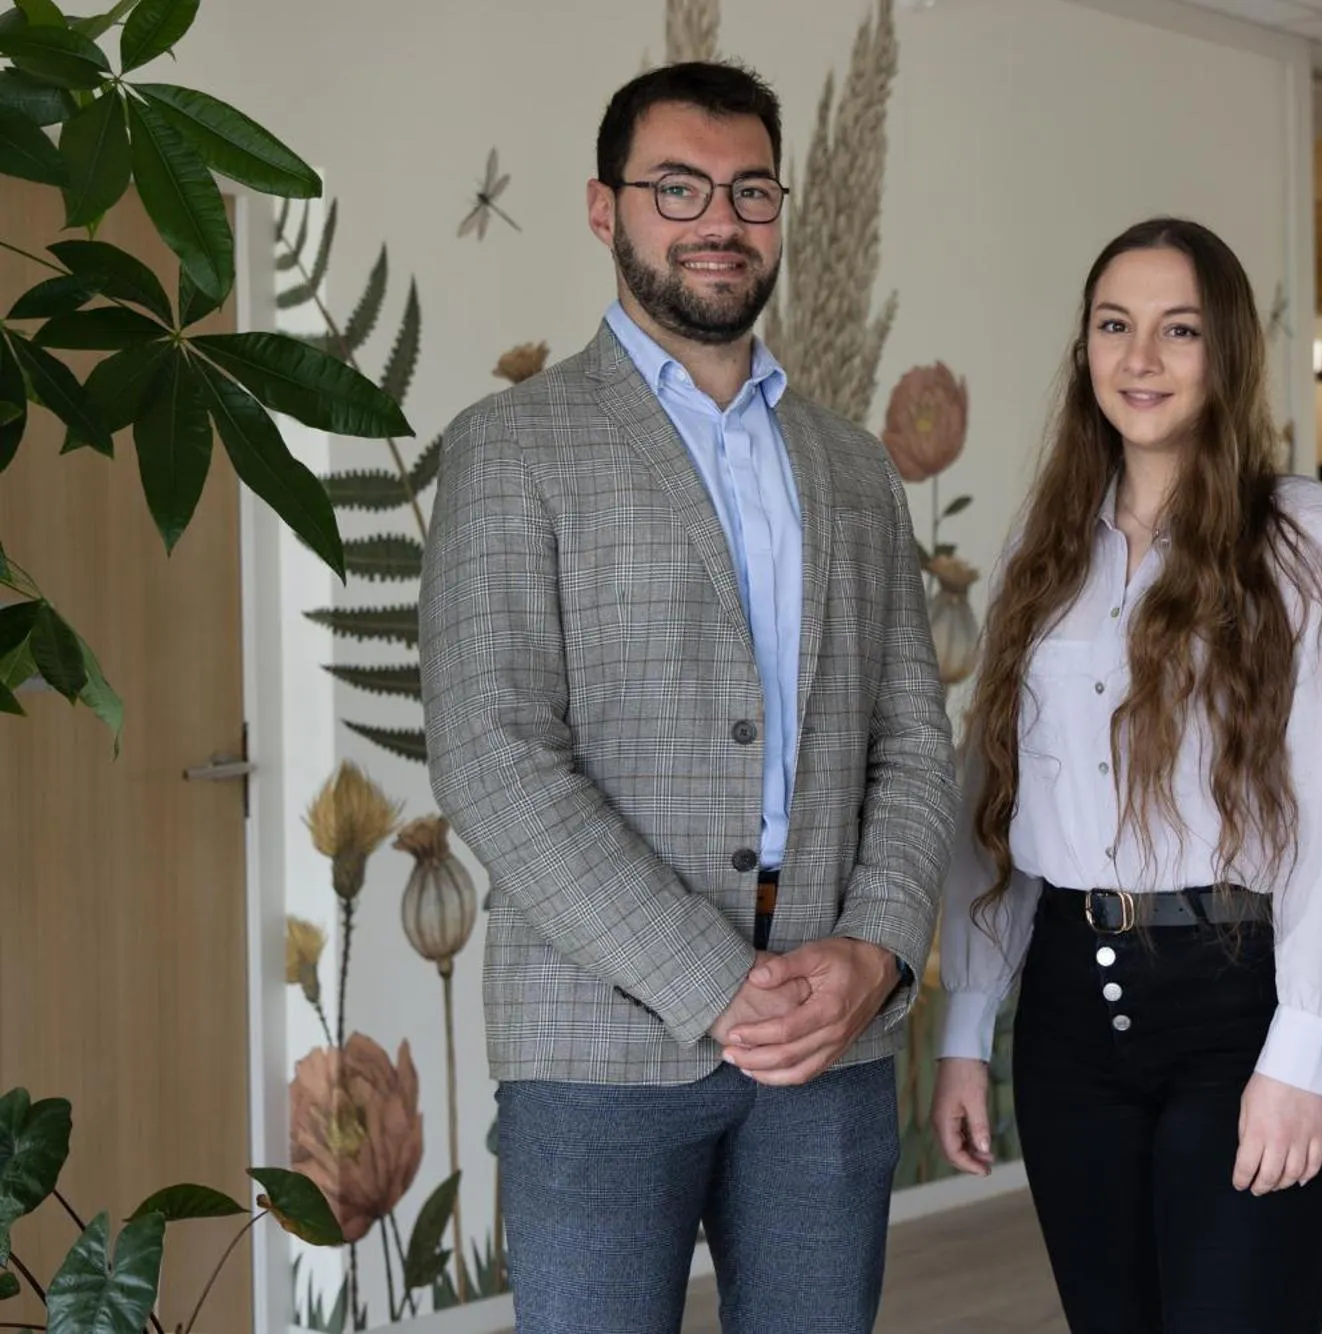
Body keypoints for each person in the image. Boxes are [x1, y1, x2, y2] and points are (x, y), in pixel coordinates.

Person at [419, 60, 957, 1334]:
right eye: (678, 187)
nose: (719, 218)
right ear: (606, 211)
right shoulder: (509, 447)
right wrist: (714, 980)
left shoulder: (850, 466)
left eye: (749, 189)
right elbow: (491, 752)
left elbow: (915, 742)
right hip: (596, 1050)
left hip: (829, 1040)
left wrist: (873, 953)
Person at [929, 216, 1322, 1334]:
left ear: (1225, 351)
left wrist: (1303, 1048)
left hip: (1242, 1000)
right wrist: (964, 1024)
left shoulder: (1304, 540)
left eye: (1176, 330)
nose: (1138, 358)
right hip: (1065, 1015)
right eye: (1114, 326)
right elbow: (990, 800)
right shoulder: (1041, 548)